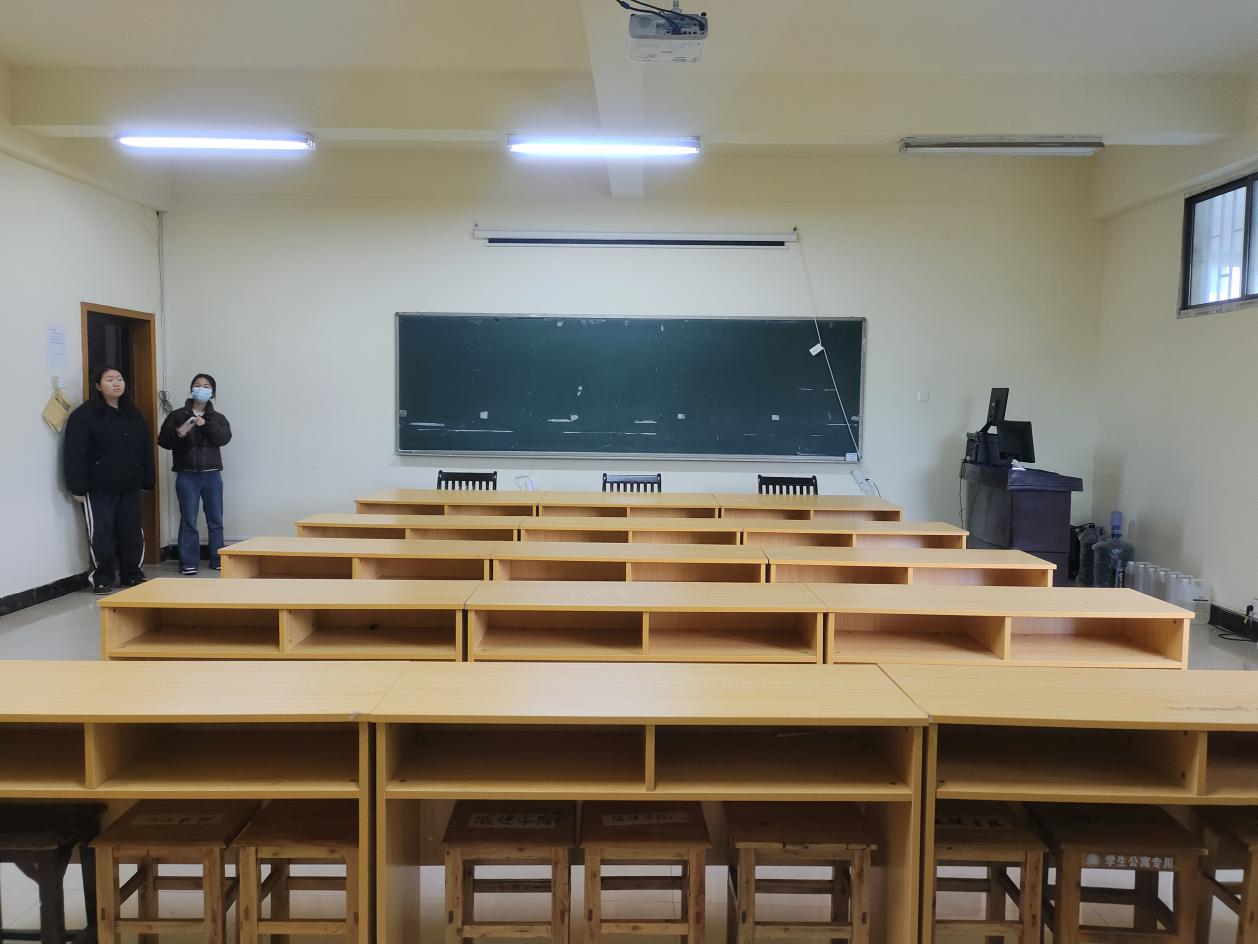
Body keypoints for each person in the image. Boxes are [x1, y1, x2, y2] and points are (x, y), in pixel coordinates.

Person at [64, 365, 155, 593]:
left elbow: (145, 448)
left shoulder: (133, 413)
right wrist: (77, 486)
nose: (116, 383)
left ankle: (131, 574)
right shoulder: (83, 416)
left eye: (119, 378)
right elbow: (75, 453)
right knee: (101, 533)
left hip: (130, 485)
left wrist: (147, 479)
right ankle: (102, 578)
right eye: (109, 379)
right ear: (98, 386)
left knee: (131, 531)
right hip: (98, 487)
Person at [158, 373, 232, 575]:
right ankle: (188, 562)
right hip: (187, 474)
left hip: (212, 474)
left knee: (215, 519)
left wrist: (205, 425)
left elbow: (224, 438)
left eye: (206, 386)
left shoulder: (217, 418)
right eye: (197, 385)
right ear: (191, 389)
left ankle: (217, 559)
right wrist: (179, 433)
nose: (201, 389)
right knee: (188, 518)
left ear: (213, 392)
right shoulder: (177, 415)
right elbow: (163, 441)